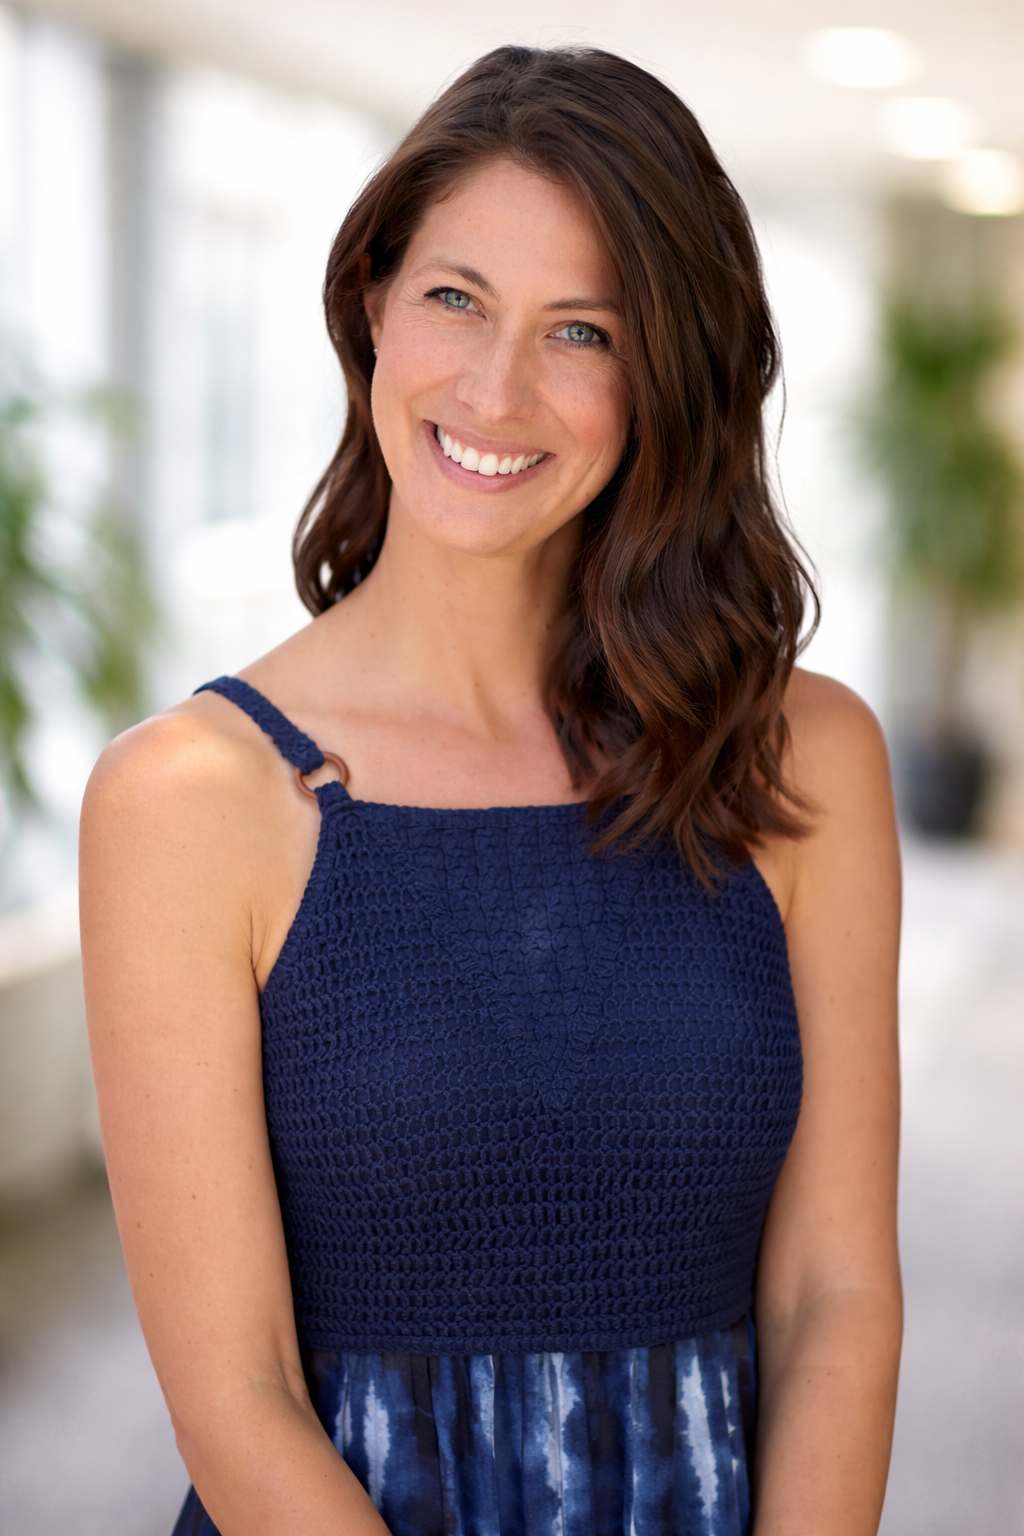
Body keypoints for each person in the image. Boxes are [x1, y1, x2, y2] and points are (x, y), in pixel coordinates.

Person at [81, 45, 902, 1536]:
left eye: (582, 331)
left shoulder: (802, 759)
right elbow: (236, 1395)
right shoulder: (191, 799)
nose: (498, 387)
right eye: (455, 298)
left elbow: (835, 1297)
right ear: (374, 309)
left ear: (668, 377)